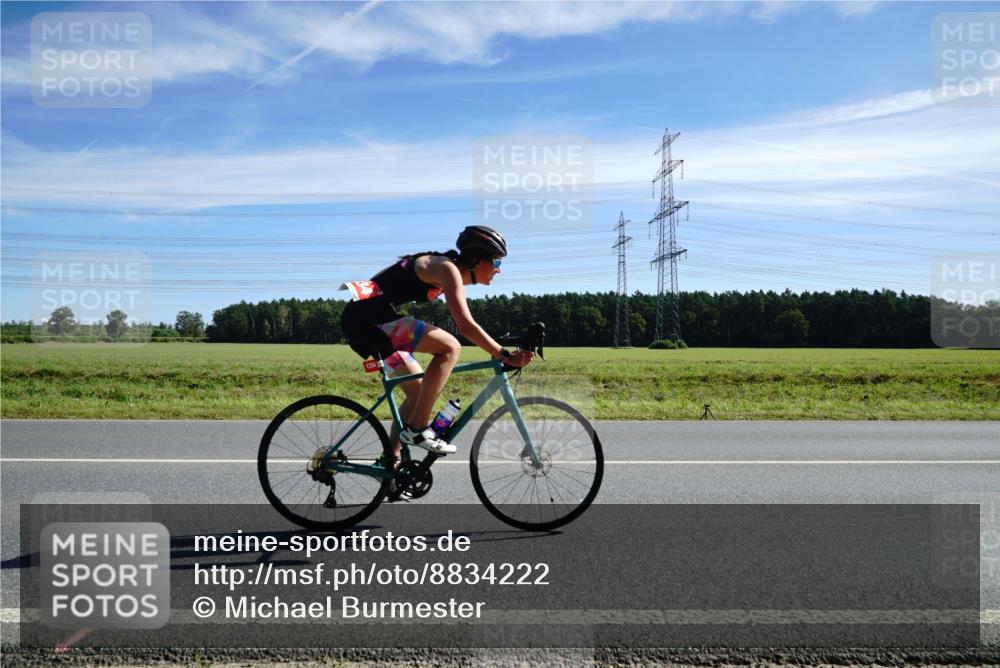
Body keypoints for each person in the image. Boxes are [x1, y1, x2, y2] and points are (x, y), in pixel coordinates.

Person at [340, 225, 534, 461]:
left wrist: (497, 347)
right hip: (370, 321)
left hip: (370, 322)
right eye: (495, 262)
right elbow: (465, 326)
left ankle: (390, 463)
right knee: (450, 347)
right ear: (475, 259)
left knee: (417, 393)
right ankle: (418, 429)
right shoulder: (447, 268)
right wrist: (503, 354)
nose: (498, 270)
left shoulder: (444, 267)